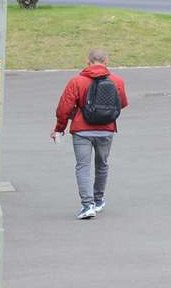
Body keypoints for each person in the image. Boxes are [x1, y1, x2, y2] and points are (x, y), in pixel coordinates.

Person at [51, 49, 129, 220]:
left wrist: (59, 128)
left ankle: (88, 205)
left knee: (83, 166)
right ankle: (98, 199)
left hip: (82, 131)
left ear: (87, 61)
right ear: (106, 61)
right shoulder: (117, 81)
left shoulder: (77, 81)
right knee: (102, 164)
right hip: (107, 129)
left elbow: (64, 108)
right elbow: (122, 103)